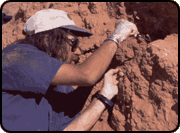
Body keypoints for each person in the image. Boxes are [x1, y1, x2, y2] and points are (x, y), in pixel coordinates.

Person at [2, 9, 138, 131]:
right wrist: (117, 36)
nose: (77, 52)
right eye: (73, 43)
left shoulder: (58, 87)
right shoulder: (17, 56)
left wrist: (105, 95)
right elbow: (87, 75)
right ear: (48, 39)